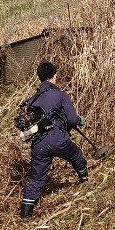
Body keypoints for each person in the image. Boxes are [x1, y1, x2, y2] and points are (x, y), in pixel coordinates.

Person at [20, 61, 87, 219]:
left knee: (36, 178)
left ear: (39, 78)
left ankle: (25, 215)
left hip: (38, 145)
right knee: (76, 155)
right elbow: (71, 119)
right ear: (55, 76)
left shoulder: (32, 101)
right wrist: (79, 121)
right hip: (58, 140)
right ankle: (85, 182)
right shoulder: (60, 95)